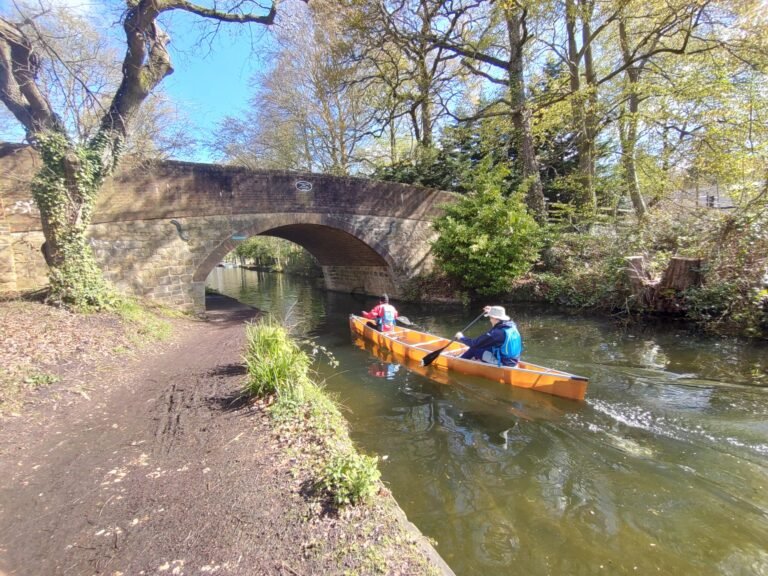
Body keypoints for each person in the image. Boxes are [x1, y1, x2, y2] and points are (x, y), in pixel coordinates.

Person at [455, 305, 522, 366]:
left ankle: (458, 363)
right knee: (484, 345)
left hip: (504, 362)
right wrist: (492, 310)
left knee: (474, 348)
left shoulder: (496, 334)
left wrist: (461, 337)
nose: (490, 320)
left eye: (490, 317)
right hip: (514, 360)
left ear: (495, 318)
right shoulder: (511, 325)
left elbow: (474, 343)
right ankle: (473, 359)